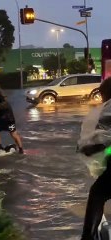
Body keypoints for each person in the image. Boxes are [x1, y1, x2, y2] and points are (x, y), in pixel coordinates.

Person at [77, 77, 111, 240]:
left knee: (97, 193)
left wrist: (87, 148)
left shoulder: (108, 111)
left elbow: (103, 140)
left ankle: (87, 236)